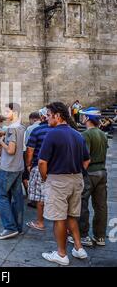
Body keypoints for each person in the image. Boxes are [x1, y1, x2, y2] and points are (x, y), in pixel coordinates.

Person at [38, 102, 90, 266]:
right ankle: (79, 247)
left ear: (57, 115)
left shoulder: (52, 134)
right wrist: (75, 171)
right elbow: (87, 160)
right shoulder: (77, 134)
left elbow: (42, 162)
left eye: (48, 115)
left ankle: (61, 254)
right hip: (76, 179)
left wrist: (46, 178)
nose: (46, 118)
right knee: (71, 215)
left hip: (58, 180)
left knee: (59, 218)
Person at [68, 107, 109, 247]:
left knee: (82, 204)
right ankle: (100, 236)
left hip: (90, 173)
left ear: (87, 119)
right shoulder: (103, 134)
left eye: (83, 116)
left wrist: (79, 174)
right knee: (101, 205)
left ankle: (83, 234)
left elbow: (86, 158)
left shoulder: (86, 134)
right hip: (102, 172)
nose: (82, 118)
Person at [0, 103, 25, 240]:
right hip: (18, 167)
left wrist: (1, 142)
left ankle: (10, 227)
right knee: (17, 198)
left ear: (14, 112)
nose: (5, 113)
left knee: (0, 196)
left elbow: (10, 150)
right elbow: (1, 132)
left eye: (7, 111)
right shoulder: (21, 127)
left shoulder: (12, 129)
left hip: (8, 167)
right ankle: (17, 227)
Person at [25, 107, 52, 231]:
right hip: (56, 167)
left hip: (39, 165)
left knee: (40, 196)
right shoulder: (58, 130)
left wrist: (29, 165)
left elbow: (30, 150)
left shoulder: (37, 130)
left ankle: (40, 222)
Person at [23, 111, 41, 198]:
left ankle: (32, 196)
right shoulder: (45, 126)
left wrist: (27, 164)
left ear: (33, 119)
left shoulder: (30, 128)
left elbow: (27, 145)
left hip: (33, 157)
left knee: (29, 176)